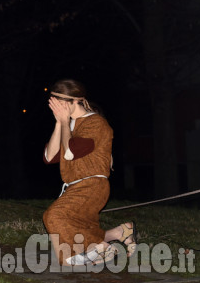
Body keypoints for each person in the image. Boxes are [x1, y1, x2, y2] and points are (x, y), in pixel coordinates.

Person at [42, 79, 137, 266]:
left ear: (75, 100)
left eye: (60, 104)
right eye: (54, 105)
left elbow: (69, 153)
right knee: (80, 226)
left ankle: (99, 249)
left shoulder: (96, 123)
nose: (57, 108)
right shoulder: (69, 125)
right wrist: (59, 123)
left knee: (54, 216)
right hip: (75, 186)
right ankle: (121, 233)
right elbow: (48, 156)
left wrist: (63, 121)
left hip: (92, 185)